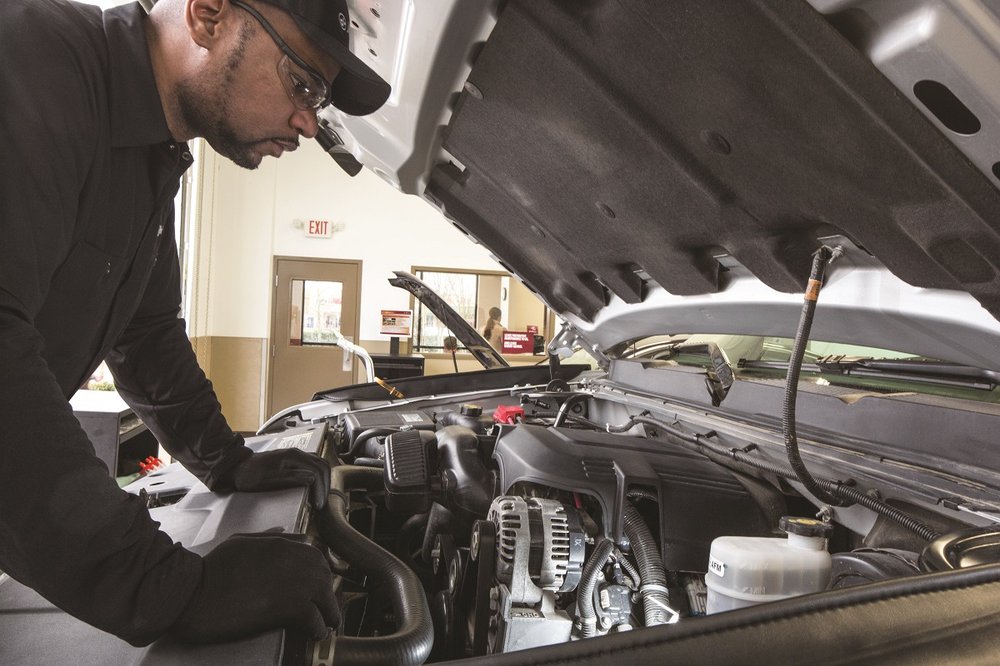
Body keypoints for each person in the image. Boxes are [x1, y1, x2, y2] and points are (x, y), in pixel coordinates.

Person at [0, 0, 389, 648]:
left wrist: (226, 460)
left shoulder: (154, 159)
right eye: (302, 85)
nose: (307, 123)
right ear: (207, 15)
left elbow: (146, 334)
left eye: (317, 102)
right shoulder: (36, 57)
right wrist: (163, 586)